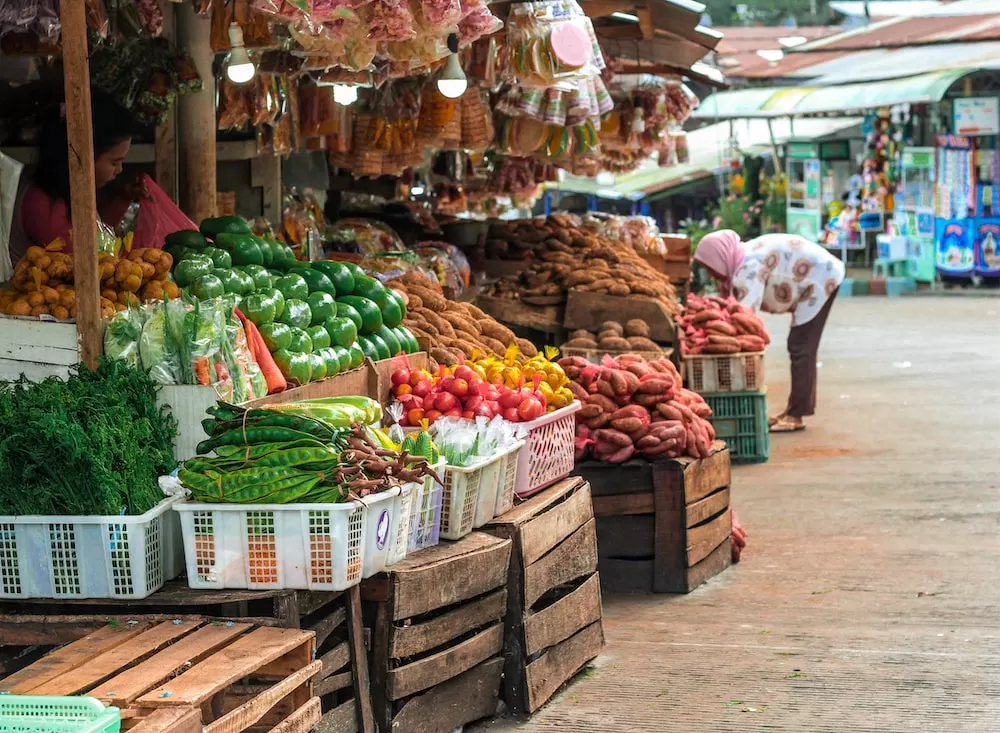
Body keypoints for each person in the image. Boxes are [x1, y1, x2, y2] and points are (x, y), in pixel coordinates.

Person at [693, 230, 845, 433]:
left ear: (720, 257)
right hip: (816, 274)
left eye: (710, 267)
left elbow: (744, 316)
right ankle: (793, 410)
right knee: (799, 345)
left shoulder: (748, 267)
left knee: (801, 346)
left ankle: (796, 415)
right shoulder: (741, 257)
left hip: (821, 278)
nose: (711, 274)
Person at [11, 93, 135, 263]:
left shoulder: (62, 192)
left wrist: (122, 200)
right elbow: (84, 266)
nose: (119, 170)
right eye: (115, 162)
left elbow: (95, 235)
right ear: (84, 156)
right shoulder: (46, 205)